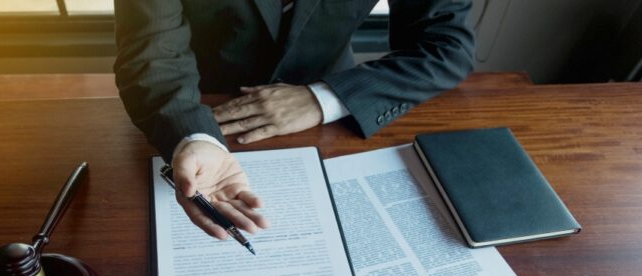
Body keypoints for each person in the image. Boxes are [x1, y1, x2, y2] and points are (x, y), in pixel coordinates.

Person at [114, 0, 475, 239]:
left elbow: (446, 45)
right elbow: (152, 49)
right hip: (203, 105)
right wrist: (194, 136)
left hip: (333, 111)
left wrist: (323, 98)